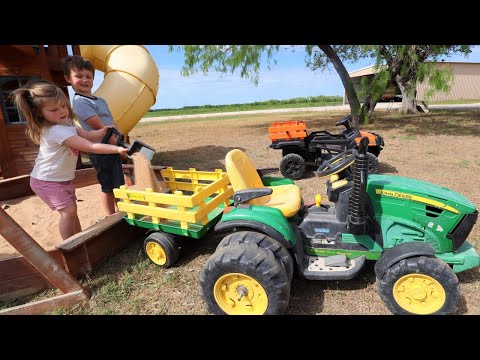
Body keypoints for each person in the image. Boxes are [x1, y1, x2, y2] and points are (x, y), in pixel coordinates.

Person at [11, 80, 128, 240]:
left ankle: (79, 238)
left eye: (63, 106)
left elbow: (88, 135)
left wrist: (102, 131)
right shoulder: (56, 131)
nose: (61, 111)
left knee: (72, 210)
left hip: (61, 179)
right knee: (68, 212)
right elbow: (90, 146)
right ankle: (70, 245)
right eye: (53, 109)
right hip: (47, 181)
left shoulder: (66, 123)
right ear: (39, 113)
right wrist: (116, 149)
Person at [63, 54, 124, 215]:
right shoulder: (80, 102)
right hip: (99, 148)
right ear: (68, 79)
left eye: (88, 76)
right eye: (79, 76)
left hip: (111, 145)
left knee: (118, 182)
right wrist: (115, 141)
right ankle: (110, 215)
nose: (84, 80)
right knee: (107, 185)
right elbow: (99, 125)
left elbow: (111, 120)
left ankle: (120, 211)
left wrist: (120, 136)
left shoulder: (100, 100)